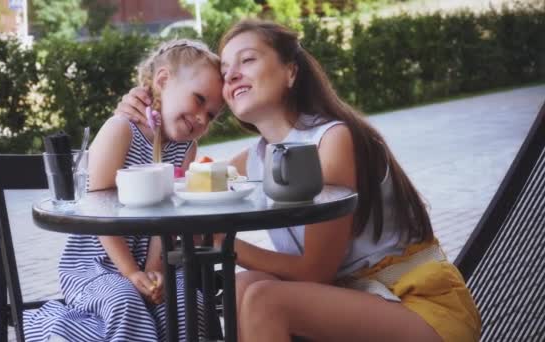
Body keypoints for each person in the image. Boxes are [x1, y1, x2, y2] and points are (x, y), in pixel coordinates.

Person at [115, 20, 480, 342]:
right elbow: (184, 185)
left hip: (420, 308)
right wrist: (151, 118)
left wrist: (223, 243)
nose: (232, 75)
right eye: (226, 71)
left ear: (291, 72)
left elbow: (316, 271)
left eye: (248, 60)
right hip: (357, 301)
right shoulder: (256, 158)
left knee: (264, 300)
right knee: (242, 286)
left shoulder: (331, 139)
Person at [24, 38, 224, 342]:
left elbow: (167, 217)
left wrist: (154, 273)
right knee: (125, 301)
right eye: (199, 100)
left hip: (153, 262)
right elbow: (96, 208)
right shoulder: (121, 130)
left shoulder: (186, 148)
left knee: (188, 303)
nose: (201, 118)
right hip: (97, 267)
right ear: (163, 80)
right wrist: (132, 273)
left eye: (211, 114)